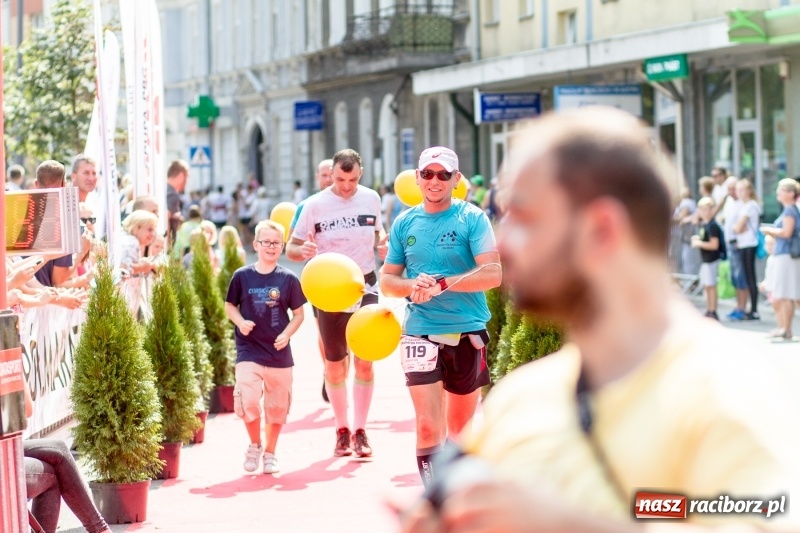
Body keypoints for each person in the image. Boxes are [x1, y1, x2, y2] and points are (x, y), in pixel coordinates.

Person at [399, 107, 800, 533]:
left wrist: (571, 521)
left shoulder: (727, 389)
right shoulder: (525, 396)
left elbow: (749, 513)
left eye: (525, 216)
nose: (504, 243)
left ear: (601, 228)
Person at [381, 146, 501, 486]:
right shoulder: (405, 222)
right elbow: (388, 282)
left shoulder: (473, 218)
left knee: (460, 430)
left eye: (444, 174)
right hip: (420, 331)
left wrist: (443, 284)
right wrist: (410, 285)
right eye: (428, 174)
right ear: (418, 178)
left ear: (456, 180)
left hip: (467, 331)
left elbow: (493, 273)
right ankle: (435, 500)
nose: (435, 181)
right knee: (428, 425)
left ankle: (456, 489)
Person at [287, 149, 385, 457]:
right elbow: (291, 246)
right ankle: (341, 429)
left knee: (365, 360)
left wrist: (383, 243)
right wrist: (301, 252)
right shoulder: (315, 205)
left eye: (352, 179)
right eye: (340, 179)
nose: (346, 186)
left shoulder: (371, 199)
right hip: (330, 291)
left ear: (361, 173)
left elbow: (379, 233)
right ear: (331, 173)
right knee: (334, 365)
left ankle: (360, 430)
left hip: (366, 284)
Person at [224, 220, 306, 474]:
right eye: (266, 242)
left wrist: (286, 334)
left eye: (276, 243)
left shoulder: (289, 279)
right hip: (249, 349)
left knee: (277, 408)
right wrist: (240, 322)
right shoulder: (242, 276)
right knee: (248, 401)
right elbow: (229, 306)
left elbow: (300, 314)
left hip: (279, 353)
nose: (271, 247)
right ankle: (255, 444)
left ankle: (270, 452)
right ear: (256, 244)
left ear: (282, 246)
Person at [288, 158, 334, 403]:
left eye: (331, 174)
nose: (328, 179)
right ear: (318, 178)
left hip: (354, 276)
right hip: (318, 279)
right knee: (325, 331)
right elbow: (291, 247)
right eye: (323, 175)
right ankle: (329, 371)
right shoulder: (306, 206)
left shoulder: (355, 203)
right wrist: (302, 249)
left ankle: (341, 373)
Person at [760, 178, 800, 341]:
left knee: (787, 293)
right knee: (785, 294)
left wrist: (769, 230)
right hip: (784, 255)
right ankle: (784, 328)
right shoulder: (789, 210)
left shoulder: (790, 211)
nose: (778, 192)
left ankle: (786, 329)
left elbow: (786, 233)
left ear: (791, 193)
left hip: (787, 256)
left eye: (781, 190)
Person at [731, 178, 761, 320]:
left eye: (742, 189)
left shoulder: (750, 206)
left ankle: (754, 310)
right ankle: (751, 308)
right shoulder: (743, 205)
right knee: (746, 277)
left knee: (750, 277)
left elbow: (738, 227)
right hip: (743, 244)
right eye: (738, 190)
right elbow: (738, 228)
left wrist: (737, 228)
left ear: (749, 190)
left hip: (749, 244)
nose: (740, 193)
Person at [119, 210, 159, 317]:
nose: (153, 234)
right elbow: (125, 268)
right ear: (137, 227)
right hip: (124, 300)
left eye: (154, 230)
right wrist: (145, 266)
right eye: (150, 229)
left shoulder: (128, 239)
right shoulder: (131, 241)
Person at [690, 197, 723, 320]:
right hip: (705, 259)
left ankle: (713, 310)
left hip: (711, 259)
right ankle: (709, 309)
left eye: (706, 209)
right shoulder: (705, 225)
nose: (703, 212)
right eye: (701, 209)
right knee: (707, 285)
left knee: (711, 285)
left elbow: (714, 244)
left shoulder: (712, 226)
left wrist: (699, 243)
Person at [167, 159, 189, 241]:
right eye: (187, 177)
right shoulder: (172, 195)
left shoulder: (164, 189)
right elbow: (165, 219)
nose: (187, 182)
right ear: (181, 176)